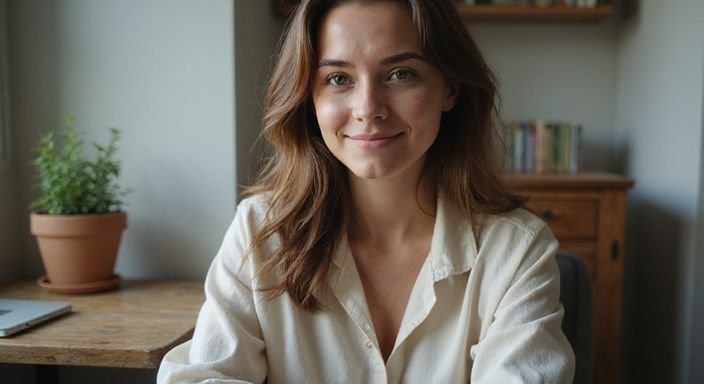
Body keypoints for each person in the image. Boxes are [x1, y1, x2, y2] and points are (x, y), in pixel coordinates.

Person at [157, 0, 575, 382]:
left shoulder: (517, 249)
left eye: (400, 74)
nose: (368, 108)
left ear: (449, 88)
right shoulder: (260, 231)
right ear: (309, 96)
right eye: (338, 78)